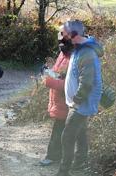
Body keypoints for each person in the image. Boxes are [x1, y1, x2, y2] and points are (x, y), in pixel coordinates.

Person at [53, 20, 103, 176]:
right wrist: (63, 76)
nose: (62, 38)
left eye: (65, 35)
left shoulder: (86, 53)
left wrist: (77, 100)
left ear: (74, 35)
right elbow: (75, 71)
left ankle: (63, 173)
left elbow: (87, 82)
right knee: (79, 132)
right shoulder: (78, 49)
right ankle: (80, 161)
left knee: (67, 136)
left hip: (82, 103)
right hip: (77, 102)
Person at [39, 26, 73, 166]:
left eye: (63, 41)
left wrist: (48, 81)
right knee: (61, 130)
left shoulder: (74, 58)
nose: (60, 45)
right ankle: (58, 156)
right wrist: (48, 72)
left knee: (60, 130)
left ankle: (53, 156)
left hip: (66, 102)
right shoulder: (62, 54)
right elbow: (58, 73)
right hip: (57, 100)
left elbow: (69, 85)